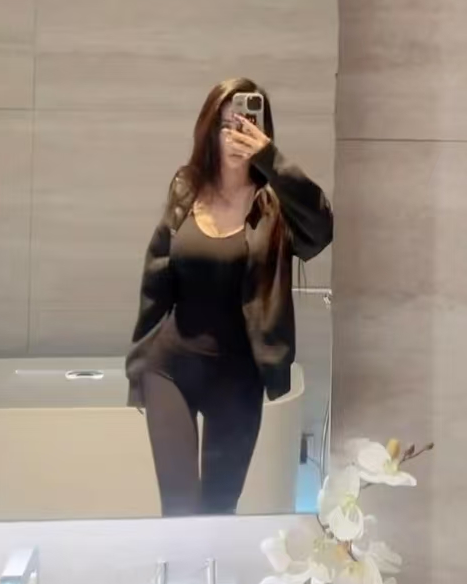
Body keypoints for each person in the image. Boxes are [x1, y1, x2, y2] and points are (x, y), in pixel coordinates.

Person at [126, 77, 333, 516]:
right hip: (170, 369)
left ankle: (212, 568)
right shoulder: (186, 187)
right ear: (209, 130)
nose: (235, 133)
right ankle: (176, 567)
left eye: (246, 124)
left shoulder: (275, 205)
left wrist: (271, 160)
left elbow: (322, 229)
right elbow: (156, 275)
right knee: (179, 509)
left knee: (219, 510)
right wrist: (138, 365)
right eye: (226, 124)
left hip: (238, 380)